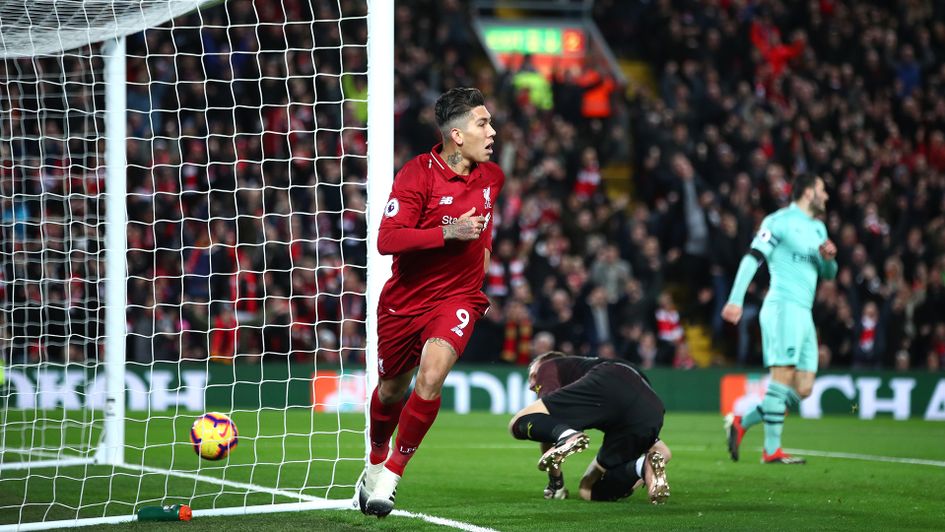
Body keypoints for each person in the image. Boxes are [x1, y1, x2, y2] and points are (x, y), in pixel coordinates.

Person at [357, 87, 504, 517]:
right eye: (483, 123)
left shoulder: (492, 176)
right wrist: (447, 232)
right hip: (406, 300)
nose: (492, 131)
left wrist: (479, 274)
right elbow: (388, 240)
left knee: (432, 375)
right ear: (456, 135)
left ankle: (392, 476)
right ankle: (376, 457)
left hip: (458, 298)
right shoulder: (417, 174)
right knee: (391, 391)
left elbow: (486, 229)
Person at [722, 173, 837, 464]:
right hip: (783, 306)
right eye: (822, 190)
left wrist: (829, 259)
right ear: (808, 192)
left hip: (804, 313)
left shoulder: (819, 229)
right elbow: (753, 257)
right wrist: (736, 299)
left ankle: (741, 421)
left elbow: (829, 275)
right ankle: (771, 449)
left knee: (804, 387)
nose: (826, 196)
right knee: (783, 376)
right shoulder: (778, 221)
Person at [508, 351, 671, 504]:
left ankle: (568, 436)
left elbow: (547, 419)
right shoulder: (584, 387)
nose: (531, 385)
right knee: (588, 490)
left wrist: (555, 483)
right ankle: (643, 466)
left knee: (517, 422)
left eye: (533, 376)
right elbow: (664, 452)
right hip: (651, 407)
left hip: (610, 377)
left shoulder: (549, 365)